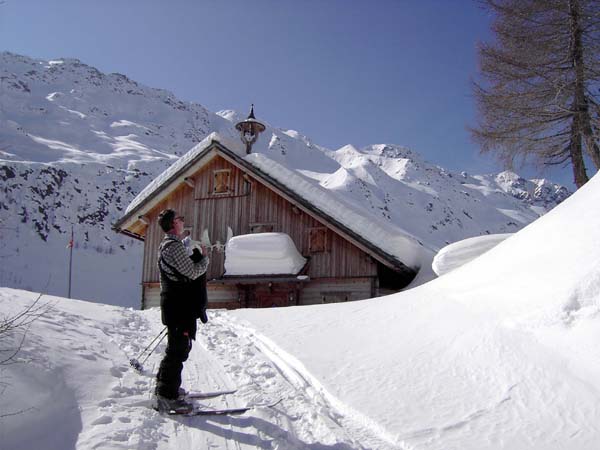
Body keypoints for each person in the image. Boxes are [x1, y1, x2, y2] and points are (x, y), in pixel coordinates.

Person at [153, 209, 209, 414]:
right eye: (179, 219)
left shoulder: (166, 245)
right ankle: (166, 396)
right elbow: (193, 272)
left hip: (172, 304)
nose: (183, 221)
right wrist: (204, 259)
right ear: (171, 224)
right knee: (178, 349)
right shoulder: (175, 247)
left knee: (175, 348)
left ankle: (166, 388)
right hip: (178, 306)